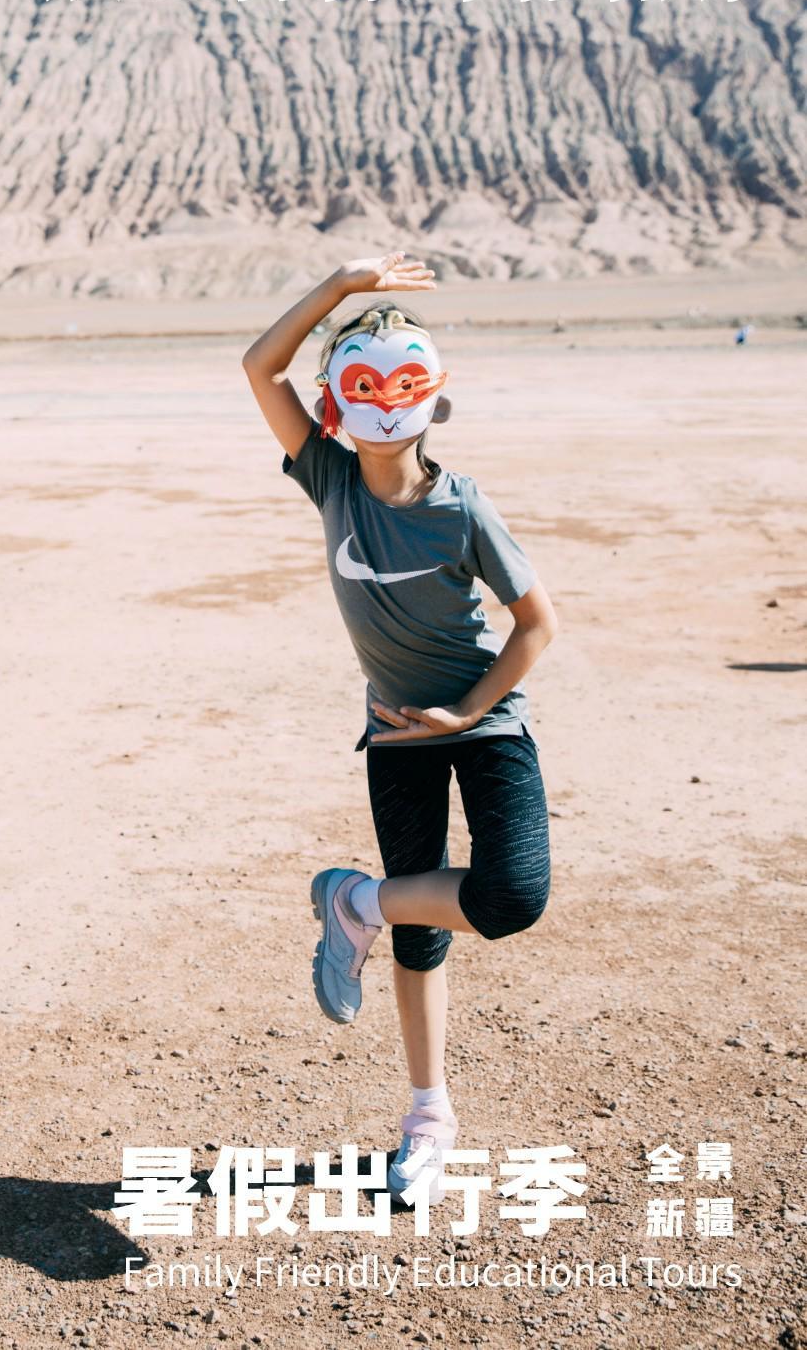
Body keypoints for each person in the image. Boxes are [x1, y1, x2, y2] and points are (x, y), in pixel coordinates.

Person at [241, 252, 558, 1207]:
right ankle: (428, 1121)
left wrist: (469, 710)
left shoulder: (463, 505)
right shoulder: (330, 479)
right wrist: (342, 287)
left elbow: (536, 623)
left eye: (406, 382)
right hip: (394, 733)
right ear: (336, 406)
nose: (388, 401)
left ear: (436, 397)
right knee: (423, 940)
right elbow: (260, 367)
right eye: (365, 385)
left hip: (485, 724)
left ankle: (355, 903)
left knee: (513, 895)